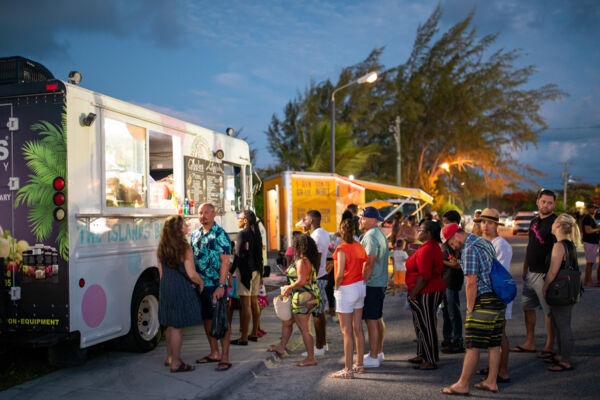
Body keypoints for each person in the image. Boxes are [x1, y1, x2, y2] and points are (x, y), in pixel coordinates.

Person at [441, 223, 505, 395]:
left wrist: (470, 309)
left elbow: (471, 282)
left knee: (472, 345)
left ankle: (463, 384)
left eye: (451, 244)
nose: (452, 248)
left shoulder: (469, 249)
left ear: (455, 236)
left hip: (484, 300)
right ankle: (492, 381)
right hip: (498, 298)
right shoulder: (483, 242)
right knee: (494, 343)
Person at [511, 189, 557, 358]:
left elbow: (559, 249)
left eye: (550, 202)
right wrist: (524, 268)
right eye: (543, 201)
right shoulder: (534, 222)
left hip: (545, 274)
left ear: (554, 204)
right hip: (531, 272)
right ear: (537, 202)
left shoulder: (555, 222)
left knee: (549, 312)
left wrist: (552, 275)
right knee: (528, 308)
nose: (546, 205)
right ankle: (529, 342)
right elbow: (530, 245)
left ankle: (550, 345)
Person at [157, 215, 204, 372]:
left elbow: (161, 272)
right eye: (184, 224)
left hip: (166, 286)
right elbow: (191, 274)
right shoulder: (185, 248)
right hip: (180, 287)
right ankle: (176, 363)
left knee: (170, 324)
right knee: (177, 326)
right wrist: (200, 282)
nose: (187, 226)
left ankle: (169, 357)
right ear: (178, 229)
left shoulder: (162, 247)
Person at [190, 203, 233, 371]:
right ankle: (214, 352)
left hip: (216, 285)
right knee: (207, 319)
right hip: (200, 286)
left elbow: (225, 261)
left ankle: (225, 356)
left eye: (207, 212)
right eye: (200, 213)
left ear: (214, 214)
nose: (203, 215)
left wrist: (221, 285)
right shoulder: (194, 235)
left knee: (221, 320)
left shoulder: (220, 234)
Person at [477, 208, 513, 383]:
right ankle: (494, 366)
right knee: (490, 335)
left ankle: (503, 370)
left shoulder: (502, 246)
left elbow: (500, 274)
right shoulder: (481, 242)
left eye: (490, 222)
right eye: (483, 222)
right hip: (483, 293)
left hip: (499, 293)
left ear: (496, 225)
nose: (485, 226)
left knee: (500, 334)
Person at [330, 219, 368, 379]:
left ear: (340, 230)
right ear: (353, 231)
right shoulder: (359, 246)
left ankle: (348, 369)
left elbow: (339, 274)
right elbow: (365, 264)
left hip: (346, 288)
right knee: (357, 328)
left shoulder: (341, 248)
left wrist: (336, 287)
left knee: (346, 331)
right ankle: (359, 364)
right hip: (360, 286)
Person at [543, 213, 581, 372]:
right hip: (569, 291)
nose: (552, 224)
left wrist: (545, 288)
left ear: (558, 225)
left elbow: (553, 271)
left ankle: (565, 360)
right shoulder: (569, 244)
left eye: (554, 222)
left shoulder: (559, 246)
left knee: (563, 325)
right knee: (559, 323)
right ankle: (561, 354)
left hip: (561, 292)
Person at [406, 220, 446, 370]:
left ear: (428, 233)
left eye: (421, 230)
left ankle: (430, 359)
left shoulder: (428, 249)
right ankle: (422, 354)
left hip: (427, 291)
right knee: (420, 323)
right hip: (427, 289)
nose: (417, 232)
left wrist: (414, 293)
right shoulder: (429, 247)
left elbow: (424, 275)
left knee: (426, 324)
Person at [279, 234, 322, 367]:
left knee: (304, 330)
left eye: (295, 245)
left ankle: (311, 358)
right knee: (288, 322)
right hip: (307, 297)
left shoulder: (302, 261)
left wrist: (289, 287)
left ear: (300, 246)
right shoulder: (307, 260)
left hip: (302, 298)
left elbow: (302, 281)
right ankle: (281, 346)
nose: (293, 247)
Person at [359, 206, 389, 368]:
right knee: (377, 318)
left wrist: (362, 283)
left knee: (371, 320)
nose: (361, 220)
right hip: (379, 281)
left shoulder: (370, 236)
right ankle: (378, 352)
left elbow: (369, 262)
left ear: (372, 219)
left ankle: (373, 355)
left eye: (363, 217)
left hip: (372, 283)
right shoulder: (378, 233)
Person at [231, 210, 263, 345]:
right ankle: (254, 333)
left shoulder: (242, 234)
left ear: (245, 221)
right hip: (256, 272)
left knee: (245, 305)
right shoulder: (257, 234)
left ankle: (243, 337)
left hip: (245, 273)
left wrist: (230, 271)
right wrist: (261, 273)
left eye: (240, 217)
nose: (238, 219)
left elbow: (237, 256)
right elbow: (259, 255)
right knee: (254, 303)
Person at [302, 210, 330, 356]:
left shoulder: (317, 236)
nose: (304, 222)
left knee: (317, 314)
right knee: (320, 312)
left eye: (306, 220)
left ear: (311, 220)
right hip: (321, 276)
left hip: (317, 278)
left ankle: (319, 347)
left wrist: (311, 279)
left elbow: (317, 259)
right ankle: (322, 344)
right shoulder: (322, 233)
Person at [440, 210, 465, 354]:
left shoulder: (458, 239)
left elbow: (457, 264)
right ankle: (447, 337)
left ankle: (457, 339)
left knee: (453, 310)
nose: (444, 225)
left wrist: (440, 260)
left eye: (446, 222)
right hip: (444, 279)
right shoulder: (447, 237)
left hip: (452, 280)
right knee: (445, 310)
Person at [581, 204, 600, 286]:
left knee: (591, 262)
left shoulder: (591, 218)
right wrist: (598, 228)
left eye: (594, 208)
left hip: (592, 242)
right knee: (590, 262)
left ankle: (586, 280)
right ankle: (588, 281)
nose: (593, 210)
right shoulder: (587, 218)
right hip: (589, 242)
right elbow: (588, 231)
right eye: (591, 208)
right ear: (587, 209)